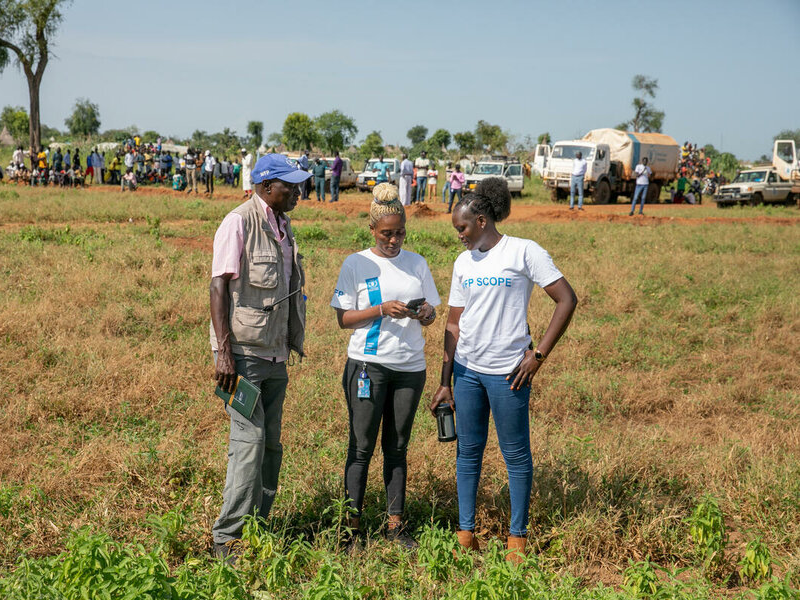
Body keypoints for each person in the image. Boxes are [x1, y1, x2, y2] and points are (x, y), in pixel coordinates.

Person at [430, 177, 577, 562]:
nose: (458, 236)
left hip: (509, 373)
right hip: (467, 372)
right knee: (468, 452)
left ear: (481, 220)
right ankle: (465, 534)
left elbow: (566, 299)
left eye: (461, 227)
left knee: (515, 455)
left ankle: (517, 540)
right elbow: (453, 324)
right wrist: (444, 381)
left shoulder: (524, 252)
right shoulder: (463, 262)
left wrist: (538, 355)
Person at [209, 153, 311, 561]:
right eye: (291, 185)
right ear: (267, 186)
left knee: (270, 446)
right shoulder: (238, 222)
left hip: (275, 358)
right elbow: (218, 288)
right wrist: (223, 353)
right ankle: (226, 538)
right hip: (243, 358)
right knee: (248, 444)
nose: (298, 192)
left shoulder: (284, 226)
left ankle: (259, 526)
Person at [331, 183, 440, 550]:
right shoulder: (357, 263)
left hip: (410, 368)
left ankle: (395, 526)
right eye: (386, 234)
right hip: (368, 366)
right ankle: (351, 529)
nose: (393, 240)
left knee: (397, 447)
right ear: (373, 231)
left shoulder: (417, 263)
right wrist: (381, 309)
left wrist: (425, 313)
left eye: (399, 233)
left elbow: (433, 312)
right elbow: (343, 318)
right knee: (361, 447)